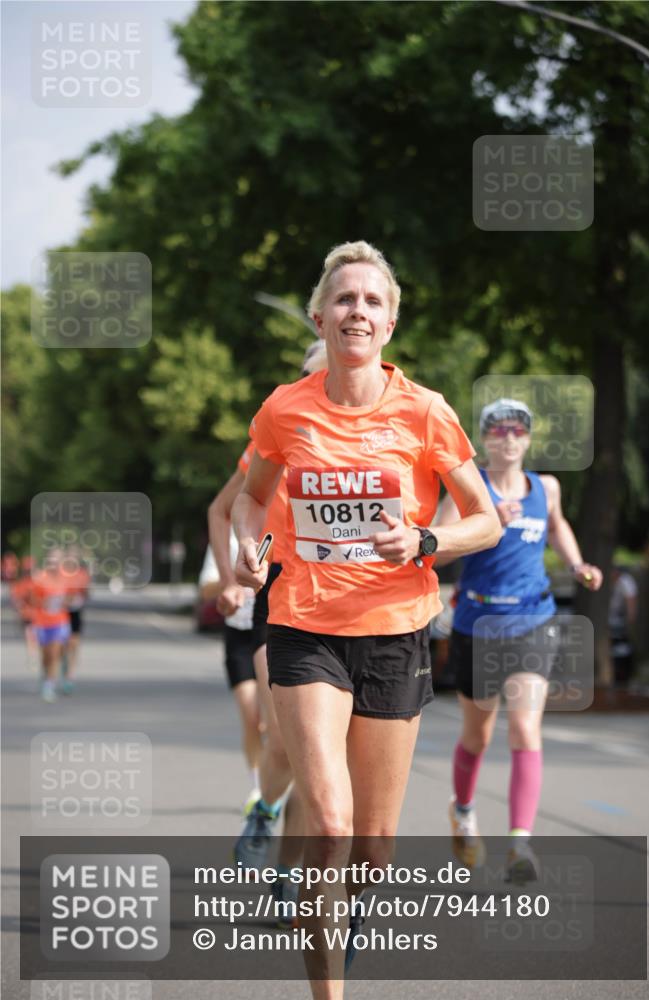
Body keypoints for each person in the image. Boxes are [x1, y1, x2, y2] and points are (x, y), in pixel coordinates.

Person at [232, 241, 501, 996]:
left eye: (372, 301)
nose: (357, 310)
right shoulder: (286, 408)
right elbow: (252, 497)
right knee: (329, 822)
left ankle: (332, 944)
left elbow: (483, 521)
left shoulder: (425, 411)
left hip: (394, 632)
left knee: (372, 852)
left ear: (388, 324)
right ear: (320, 317)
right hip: (304, 627)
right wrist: (248, 552)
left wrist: (424, 539)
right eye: (344, 299)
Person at [438, 397, 603, 883]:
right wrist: (488, 526)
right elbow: (438, 550)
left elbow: (557, 526)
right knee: (478, 734)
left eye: (518, 430)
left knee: (525, 730)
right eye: (499, 430)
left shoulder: (546, 487)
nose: (509, 437)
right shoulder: (469, 489)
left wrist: (576, 565)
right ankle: (464, 810)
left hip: (534, 619)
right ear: (485, 439)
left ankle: (519, 844)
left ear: (528, 439)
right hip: (478, 624)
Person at [210, 340, 329, 926]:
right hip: (274, 589)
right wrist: (237, 568)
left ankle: (291, 877)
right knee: (286, 738)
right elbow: (222, 508)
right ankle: (263, 810)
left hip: (345, 603)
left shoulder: (377, 428)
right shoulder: (280, 427)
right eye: (312, 373)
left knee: (320, 767)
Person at [198, 541, 262, 813]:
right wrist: (233, 577)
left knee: (277, 722)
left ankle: (281, 782)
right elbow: (205, 589)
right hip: (239, 634)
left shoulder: (279, 523)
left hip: (276, 631)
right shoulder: (227, 539)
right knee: (252, 718)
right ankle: (259, 788)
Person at [28, 549, 72, 703]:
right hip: (42, 622)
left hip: (60, 621)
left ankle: (49, 685)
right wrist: (44, 603)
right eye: (51, 561)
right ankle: (45, 675)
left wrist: (65, 602)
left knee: (54, 653)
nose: (54, 564)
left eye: (57, 561)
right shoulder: (40, 578)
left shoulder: (66, 578)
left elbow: (70, 598)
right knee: (45, 656)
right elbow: (32, 600)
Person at [60, 546, 90, 694]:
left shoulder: (82, 574)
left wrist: (80, 596)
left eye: (75, 557)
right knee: (62, 645)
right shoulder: (61, 573)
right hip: (61, 613)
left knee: (74, 644)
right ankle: (63, 666)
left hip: (76, 612)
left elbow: (86, 593)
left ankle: (70, 676)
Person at [609, 565, 639, 688]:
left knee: (622, 648)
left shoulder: (626, 581)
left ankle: (623, 676)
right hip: (611, 619)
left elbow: (631, 600)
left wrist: (630, 619)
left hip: (620, 621)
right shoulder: (611, 582)